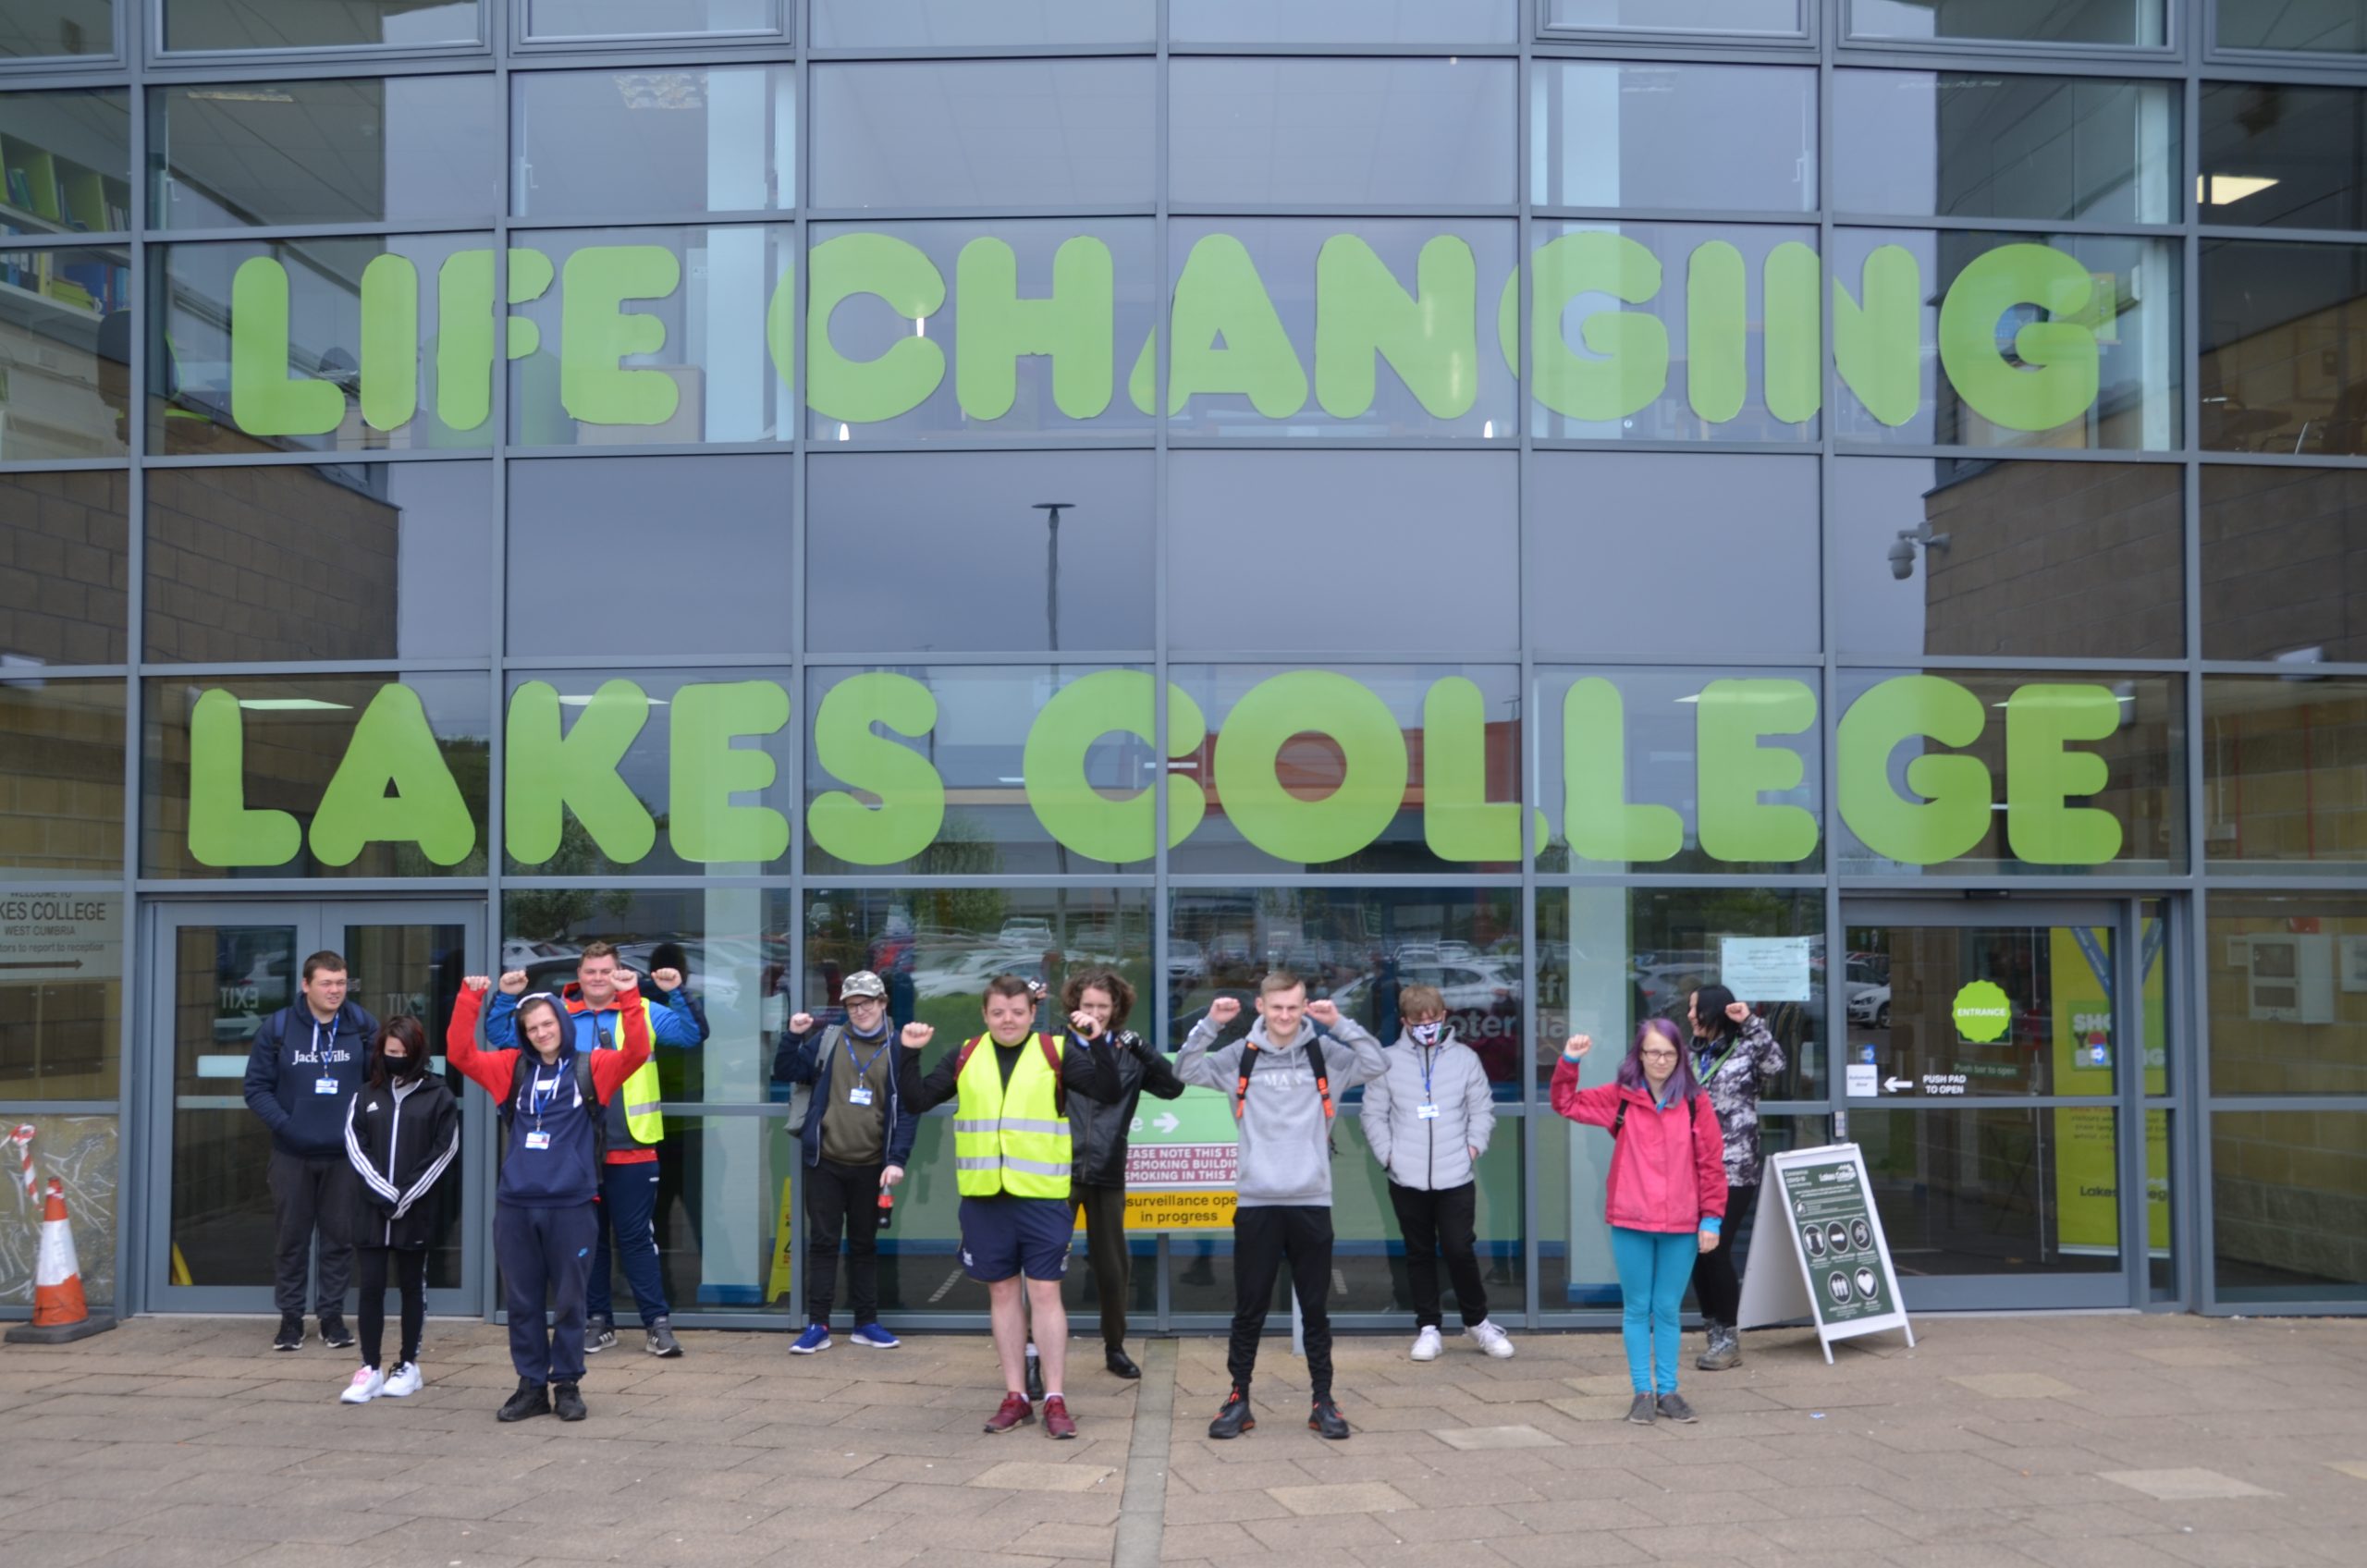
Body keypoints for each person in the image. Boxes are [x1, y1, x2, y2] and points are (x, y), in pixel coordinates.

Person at [906, 974, 1122, 1439]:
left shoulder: (1055, 1052)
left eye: (1018, 1012)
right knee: (1002, 1294)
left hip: (1042, 1197)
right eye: (999, 1012)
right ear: (985, 1015)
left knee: (1045, 1294)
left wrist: (1097, 1041)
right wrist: (908, 1053)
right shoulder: (965, 1055)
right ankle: (1016, 1396)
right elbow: (917, 1098)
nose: (1008, 1020)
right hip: (985, 1198)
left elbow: (1108, 1091)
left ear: (1032, 1014)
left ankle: (1056, 1397)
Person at [1178, 972, 1388, 1441]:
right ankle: (1238, 1399)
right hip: (1257, 1202)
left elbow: (1376, 1063)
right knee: (1249, 1308)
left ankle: (1323, 1401)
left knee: (1314, 1308)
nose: (1286, 1016)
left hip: (1311, 1200)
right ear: (1261, 1007)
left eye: (1294, 1007)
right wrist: (1210, 1023)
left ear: (1305, 1005)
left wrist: (1341, 1023)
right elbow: (1186, 1068)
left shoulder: (1325, 1054)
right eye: (1277, 1008)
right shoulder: (1240, 1056)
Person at [449, 973, 651, 1423]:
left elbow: (637, 1051)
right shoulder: (511, 1069)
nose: (542, 1033)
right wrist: (471, 999)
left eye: (548, 1024)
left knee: (570, 1301)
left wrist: (629, 996)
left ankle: (568, 1384)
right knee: (521, 1301)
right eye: (533, 1028)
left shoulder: (591, 1066)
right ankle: (531, 1385)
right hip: (516, 1205)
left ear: (562, 1021)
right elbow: (461, 1054)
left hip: (572, 1204)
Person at [483, 941, 700, 1358]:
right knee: (591, 1240)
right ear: (579, 976)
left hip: (633, 1144)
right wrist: (504, 997)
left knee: (638, 1238)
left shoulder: (643, 1010)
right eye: (590, 972)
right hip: (578, 1151)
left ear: (621, 974)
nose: (598, 979)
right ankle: (598, 1321)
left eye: (606, 971)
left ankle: (657, 1323)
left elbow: (691, 1034)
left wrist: (676, 991)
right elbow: (501, 1034)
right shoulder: (560, 1019)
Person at [1551, 1020, 1727, 1426]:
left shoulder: (1696, 1102)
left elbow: (1712, 1165)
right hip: (1631, 1217)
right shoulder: (1622, 1098)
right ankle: (1642, 1393)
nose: (1660, 1060)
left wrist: (1712, 1219)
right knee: (1636, 1308)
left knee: (1666, 1308)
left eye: (1668, 1053)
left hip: (1682, 1222)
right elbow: (1566, 1103)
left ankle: (1668, 1390)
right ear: (1639, 1055)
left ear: (1680, 1056)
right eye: (1652, 1052)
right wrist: (1569, 1063)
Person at [1360, 984, 1511, 1363]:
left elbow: (1482, 1109)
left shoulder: (1464, 1060)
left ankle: (1478, 1323)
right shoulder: (1387, 1061)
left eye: (1432, 1018)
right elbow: (1373, 1114)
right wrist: (1389, 1156)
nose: (1426, 1025)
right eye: (1418, 1020)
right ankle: (1428, 1327)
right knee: (1419, 1252)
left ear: (1444, 1017)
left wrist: (1472, 1147)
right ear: (1406, 1022)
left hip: (1456, 1174)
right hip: (1405, 1176)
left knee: (1460, 1249)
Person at [774, 970, 919, 1353]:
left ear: (883, 1004)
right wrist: (792, 1035)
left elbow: (907, 1110)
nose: (859, 1011)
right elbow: (788, 1071)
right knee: (822, 1243)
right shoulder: (829, 1040)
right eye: (852, 1005)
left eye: (866, 1004)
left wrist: (897, 1159)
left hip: (872, 1164)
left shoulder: (899, 1046)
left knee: (864, 1244)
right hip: (825, 1160)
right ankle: (818, 1325)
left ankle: (866, 1322)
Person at [242, 949, 378, 1354]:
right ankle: (290, 1319)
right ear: (306, 986)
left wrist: (360, 1127)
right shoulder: (279, 1027)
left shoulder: (361, 1025)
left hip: (343, 1156)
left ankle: (331, 1317)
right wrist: (290, 1127)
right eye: (326, 983)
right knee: (291, 1239)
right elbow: (256, 1089)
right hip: (291, 1155)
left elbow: (380, 1082)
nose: (335, 991)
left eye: (341, 983)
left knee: (339, 1239)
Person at [1062, 971, 1186, 1380]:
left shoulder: (1129, 1051)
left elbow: (1173, 1089)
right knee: (1043, 1265)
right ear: (1074, 1006)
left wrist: (1145, 1049)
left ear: (1116, 1009)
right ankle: (1033, 1352)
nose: (1094, 1013)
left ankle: (1114, 1346)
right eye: (1088, 1005)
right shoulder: (1056, 1048)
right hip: (1057, 1167)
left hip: (1108, 1168)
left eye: (1103, 1006)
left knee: (1114, 1268)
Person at [337, 1014, 460, 1404]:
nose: (396, 1058)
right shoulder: (366, 1094)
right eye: (391, 1053)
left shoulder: (439, 1095)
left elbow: (444, 1152)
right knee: (370, 1287)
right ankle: (369, 1368)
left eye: (403, 1053)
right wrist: (384, 1193)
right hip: (372, 1212)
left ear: (418, 1053)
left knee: (411, 1288)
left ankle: (408, 1365)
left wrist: (404, 1197)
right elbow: (356, 1148)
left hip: (416, 1212)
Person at [1686, 984, 1784, 1371]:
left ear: (1715, 1011)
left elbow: (1777, 1065)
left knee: (1716, 1248)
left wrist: (1752, 1024)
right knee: (1695, 1251)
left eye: (1697, 1009)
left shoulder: (1745, 1049)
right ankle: (1713, 1330)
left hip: (1734, 1166)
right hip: (1692, 1166)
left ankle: (1728, 1335)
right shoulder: (1691, 1053)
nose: (1691, 1016)